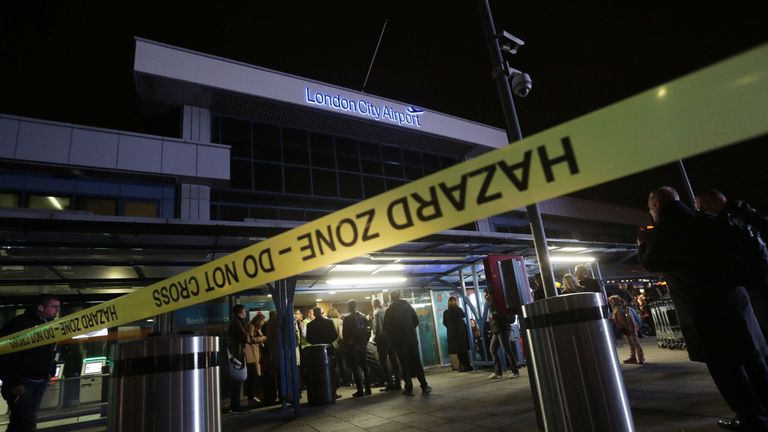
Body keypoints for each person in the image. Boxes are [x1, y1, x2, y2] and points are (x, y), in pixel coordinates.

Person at [638, 186, 768, 430]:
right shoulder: (708, 220)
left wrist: (642, 244)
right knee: (754, 361)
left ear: (656, 205)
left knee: (726, 369)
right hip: (736, 303)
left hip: (703, 311)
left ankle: (750, 417)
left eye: (649, 206)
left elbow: (650, 262)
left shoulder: (665, 232)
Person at [0, 294, 61, 432]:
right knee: (23, 419)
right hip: (23, 381)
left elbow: (50, 350)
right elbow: (8, 355)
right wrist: (14, 382)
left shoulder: (49, 325)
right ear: (41, 307)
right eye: (54, 307)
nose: (57, 310)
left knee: (27, 419)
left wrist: (50, 370)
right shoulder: (20, 324)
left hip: (39, 379)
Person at [383, 290, 432, 396]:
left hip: (399, 342)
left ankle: (409, 389)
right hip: (411, 340)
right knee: (417, 363)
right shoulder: (408, 307)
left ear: (391, 298)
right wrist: (409, 330)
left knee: (404, 365)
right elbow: (416, 321)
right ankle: (424, 386)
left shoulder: (389, 311)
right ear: (400, 296)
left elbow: (385, 328)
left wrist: (395, 335)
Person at [306, 307, 341, 399]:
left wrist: (316, 343)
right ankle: (333, 391)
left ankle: (320, 391)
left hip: (316, 351)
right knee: (332, 369)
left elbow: (308, 339)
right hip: (328, 348)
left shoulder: (310, 325)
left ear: (314, 314)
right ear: (321, 313)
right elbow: (335, 335)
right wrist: (327, 342)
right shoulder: (328, 322)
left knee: (318, 371)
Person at [485, 290, 520, 379]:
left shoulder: (498, 303)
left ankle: (515, 371)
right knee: (492, 349)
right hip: (496, 330)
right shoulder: (491, 305)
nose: (485, 297)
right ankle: (498, 372)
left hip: (503, 329)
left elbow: (504, 316)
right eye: (484, 295)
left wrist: (494, 317)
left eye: (486, 295)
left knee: (507, 350)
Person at [342, 300, 372, 397]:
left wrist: (347, 345)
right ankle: (368, 389)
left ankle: (360, 390)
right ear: (356, 306)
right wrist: (365, 342)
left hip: (353, 346)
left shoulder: (347, 318)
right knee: (365, 366)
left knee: (355, 367)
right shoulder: (363, 316)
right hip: (363, 345)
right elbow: (369, 330)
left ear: (349, 307)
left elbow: (345, 334)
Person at [372, 298, 401, 391]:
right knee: (394, 360)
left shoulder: (376, 312)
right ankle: (398, 382)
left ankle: (390, 383)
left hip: (382, 339)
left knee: (383, 361)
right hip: (392, 338)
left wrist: (375, 338)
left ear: (374, 304)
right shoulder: (388, 310)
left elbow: (376, 328)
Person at [608, 295, 645, 364]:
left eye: (611, 301)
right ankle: (633, 357)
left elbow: (629, 319)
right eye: (610, 301)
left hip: (630, 328)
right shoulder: (617, 309)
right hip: (625, 328)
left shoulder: (623, 308)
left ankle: (641, 358)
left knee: (635, 343)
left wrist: (631, 328)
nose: (610, 303)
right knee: (631, 343)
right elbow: (618, 319)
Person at [227, 304, 250, 413]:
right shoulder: (237, 323)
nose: (245, 313)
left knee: (236, 381)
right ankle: (236, 406)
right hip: (237, 355)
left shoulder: (236, 322)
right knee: (237, 381)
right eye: (244, 311)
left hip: (236, 353)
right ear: (241, 312)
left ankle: (234, 405)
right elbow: (245, 337)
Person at [443, 296, 471, 372]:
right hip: (461, 333)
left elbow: (444, 323)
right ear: (456, 302)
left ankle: (462, 366)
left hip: (453, 334)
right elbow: (464, 315)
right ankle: (468, 366)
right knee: (464, 349)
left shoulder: (446, 312)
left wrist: (451, 328)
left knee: (458, 350)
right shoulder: (459, 310)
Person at [245, 313, 267, 407]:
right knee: (253, 377)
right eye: (262, 321)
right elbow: (250, 339)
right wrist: (264, 338)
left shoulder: (257, 328)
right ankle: (252, 397)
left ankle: (254, 396)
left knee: (255, 376)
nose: (263, 322)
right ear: (259, 320)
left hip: (256, 355)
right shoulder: (252, 327)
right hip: (252, 355)